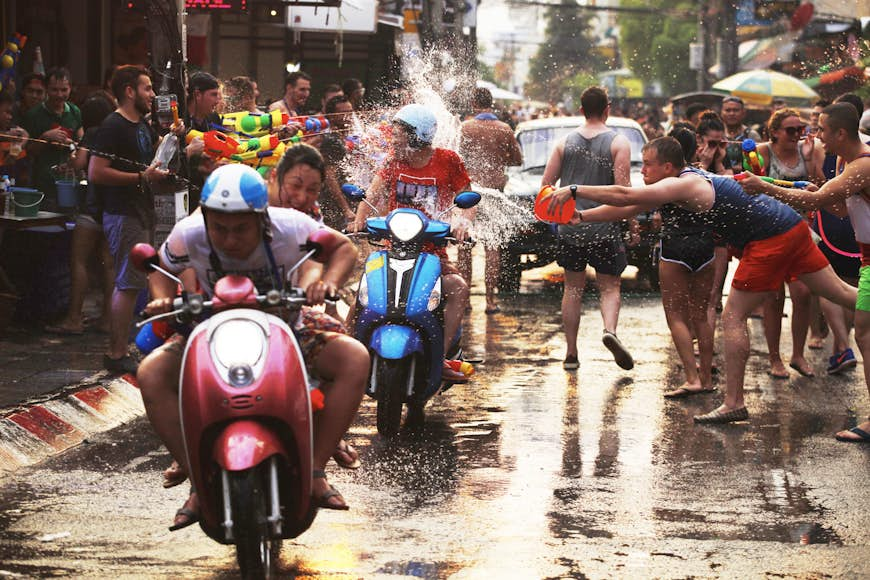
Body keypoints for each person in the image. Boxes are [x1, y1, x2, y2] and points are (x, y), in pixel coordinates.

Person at [546, 136, 857, 424]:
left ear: (667, 167)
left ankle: (734, 402)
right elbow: (628, 206)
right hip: (789, 227)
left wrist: (575, 190)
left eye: (648, 164)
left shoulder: (686, 184)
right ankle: (732, 400)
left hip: (770, 237)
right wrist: (583, 216)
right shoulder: (681, 182)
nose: (643, 170)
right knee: (842, 292)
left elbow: (625, 193)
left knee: (734, 315)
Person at [137, 164, 367, 528]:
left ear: (261, 219)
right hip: (207, 331)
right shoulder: (189, 233)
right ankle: (197, 479)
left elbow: (342, 248)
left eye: (241, 228)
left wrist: (328, 284)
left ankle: (315, 469)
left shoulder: (289, 225)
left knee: (355, 358)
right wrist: (162, 299)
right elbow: (160, 269)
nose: (229, 239)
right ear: (207, 218)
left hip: (288, 329)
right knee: (150, 373)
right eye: (220, 228)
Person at [738, 102, 870, 441]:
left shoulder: (861, 165)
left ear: (840, 133)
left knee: (865, 334)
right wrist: (820, 193)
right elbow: (839, 206)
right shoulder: (845, 161)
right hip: (867, 259)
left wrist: (764, 186)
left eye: (822, 130)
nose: (815, 136)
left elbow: (815, 204)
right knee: (865, 333)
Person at [349, 103, 475, 383]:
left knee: (458, 289)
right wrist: (360, 219)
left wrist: (463, 223)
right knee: (363, 289)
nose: (393, 136)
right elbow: (373, 193)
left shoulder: (448, 160)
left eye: (399, 131)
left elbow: (467, 198)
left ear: (417, 134)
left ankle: (440, 358)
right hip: (393, 248)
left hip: (432, 251)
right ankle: (347, 349)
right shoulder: (394, 160)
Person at [90, 65, 178, 374]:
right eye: (147, 89)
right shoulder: (113, 126)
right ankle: (115, 353)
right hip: (122, 214)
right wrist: (142, 176)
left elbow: (151, 159)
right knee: (127, 284)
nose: (153, 95)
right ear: (130, 91)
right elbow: (96, 171)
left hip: (142, 211)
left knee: (134, 282)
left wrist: (171, 144)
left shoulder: (141, 125)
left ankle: (124, 348)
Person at [540, 86, 634, 371]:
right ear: (608, 108)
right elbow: (624, 191)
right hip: (604, 226)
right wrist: (632, 224)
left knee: (572, 289)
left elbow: (546, 187)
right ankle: (609, 331)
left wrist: (561, 215)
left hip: (570, 229)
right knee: (609, 287)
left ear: (581, 110)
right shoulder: (619, 143)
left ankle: (570, 352)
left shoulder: (563, 143)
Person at [753, 108, 827, 378]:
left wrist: (809, 160)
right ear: (774, 132)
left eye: (800, 130)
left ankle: (797, 354)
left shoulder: (807, 151)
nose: (797, 135)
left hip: (801, 232)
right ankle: (775, 359)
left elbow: (820, 188)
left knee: (804, 294)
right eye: (791, 130)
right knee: (773, 298)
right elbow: (750, 184)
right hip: (770, 231)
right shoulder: (761, 152)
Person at [45, 93, 116, 335]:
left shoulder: (93, 134)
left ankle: (73, 319)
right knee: (109, 264)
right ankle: (108, 319)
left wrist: (72, 159)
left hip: (92, 206)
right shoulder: (114, 133)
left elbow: (80, 162)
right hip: (113, 207)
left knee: (79, 260)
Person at [458, 87, 523, 314]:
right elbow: (517, 159)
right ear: (491, 104)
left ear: (474, 104)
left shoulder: (465, 128)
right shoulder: (504, 130)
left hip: (468, 195)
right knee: (492, 248)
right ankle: (489, 301)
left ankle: (464, 301)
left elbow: (456, 159)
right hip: (494, 192)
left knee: (464, 247)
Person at [22, 67, 83, 211]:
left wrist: (72, 144)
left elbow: (82, 143)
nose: (59, 94)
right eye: (54, 90)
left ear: (70, 89)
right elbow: (28, 152)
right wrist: (45, 137)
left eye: (64, 90)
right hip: (43, 183)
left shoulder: (75, 112)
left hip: (69, 182)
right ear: (46, 90)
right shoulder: (33, 115)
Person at [317, 94, 357, 230]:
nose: (349, 116)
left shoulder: (347, 138)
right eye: (343, 113)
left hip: (347, 199)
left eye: (350, 112)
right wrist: (345, 208)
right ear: (332, 116)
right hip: (333, 204)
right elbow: (330, 176)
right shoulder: (332, 141)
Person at [721, 96, 762, 174]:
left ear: (743, 113)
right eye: (727, 110)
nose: (731, 113)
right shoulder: (717, 134)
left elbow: (758, 164)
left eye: (736, 110)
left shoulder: (752, 135)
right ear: (721, 112)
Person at [0, 90, 29, 185]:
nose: (10, 117)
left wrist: (15, 151)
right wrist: (6, 136)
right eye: (6, 112)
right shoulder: (8, 134)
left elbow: (25, 135)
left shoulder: (13, 130)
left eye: (11, 113)